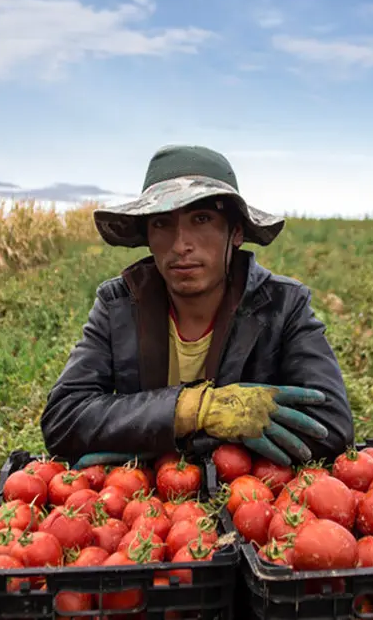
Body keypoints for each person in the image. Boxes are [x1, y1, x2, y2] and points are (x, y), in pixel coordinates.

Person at [40, 144, 354, 470]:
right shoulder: (118, 305)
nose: (180, 246)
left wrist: (167, 437)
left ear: (235, 232)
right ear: (147, 236)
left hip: (245, 494)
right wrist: (194, 409)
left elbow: (332, 425)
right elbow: (64, 418)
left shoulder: (283, 306)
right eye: (161, 224)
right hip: (147, 499)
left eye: (202, 219)